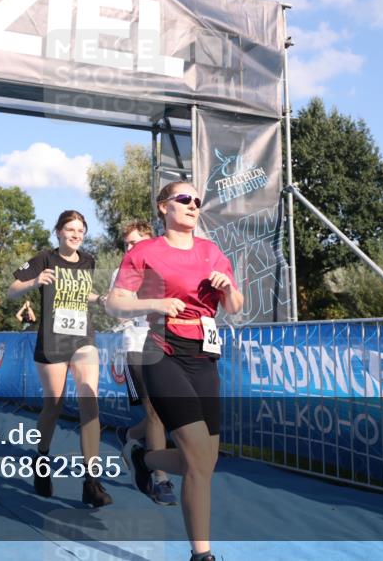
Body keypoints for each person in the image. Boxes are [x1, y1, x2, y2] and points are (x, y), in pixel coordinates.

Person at [106, 181, 243, 561]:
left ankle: (143, 458)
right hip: (162, 353)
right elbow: (116, 303)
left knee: (203, 462)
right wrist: (155, 302)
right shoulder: (146, 251)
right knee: (198, 459)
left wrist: (228, 287)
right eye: (184, 199)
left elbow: (233, 305)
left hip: (204, 357)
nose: (193, 205)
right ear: (163, 207)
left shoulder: (211, 251)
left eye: (197, 201)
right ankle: (202, 554)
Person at [7, 209, 112, 508]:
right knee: (53, 405)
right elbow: (12, 290)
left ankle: (92, 481)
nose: (76, 235)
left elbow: (82, 293)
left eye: (81, 230)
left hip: (82, 337)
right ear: (58, 232)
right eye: (71, 230)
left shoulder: (89, 261)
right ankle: (41, 460)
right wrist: (34, 281)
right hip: (52, 341)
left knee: (89, 401)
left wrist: (100, 299)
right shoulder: (44, 258)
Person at [108, 220, 178, 506]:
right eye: (127, 244)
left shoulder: (166, 267)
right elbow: (117, 312)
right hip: (136, 344)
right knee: (154, 412)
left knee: (165, 414)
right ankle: (160, 479)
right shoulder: (122, 271)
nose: (130, 248)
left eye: (136, 243)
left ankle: (128, 436)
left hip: (168, 344)